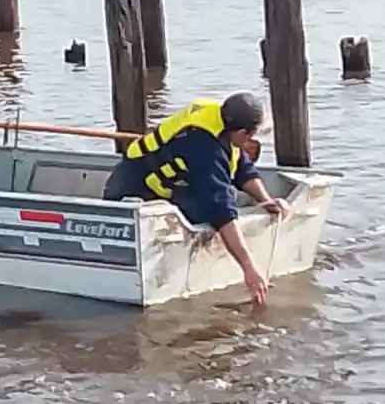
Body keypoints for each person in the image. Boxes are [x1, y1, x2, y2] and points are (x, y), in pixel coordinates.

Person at [103, 92, 290, 305]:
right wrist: (249, 269)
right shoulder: (205, 149)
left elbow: (242, 170)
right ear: (240, 132)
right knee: (214, 208)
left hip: (161, 186)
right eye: (251, 135)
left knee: (222, 199)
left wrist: (267, 202)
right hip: (131, 190)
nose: (252, 141)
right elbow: (221, 209)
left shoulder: (222, 124)